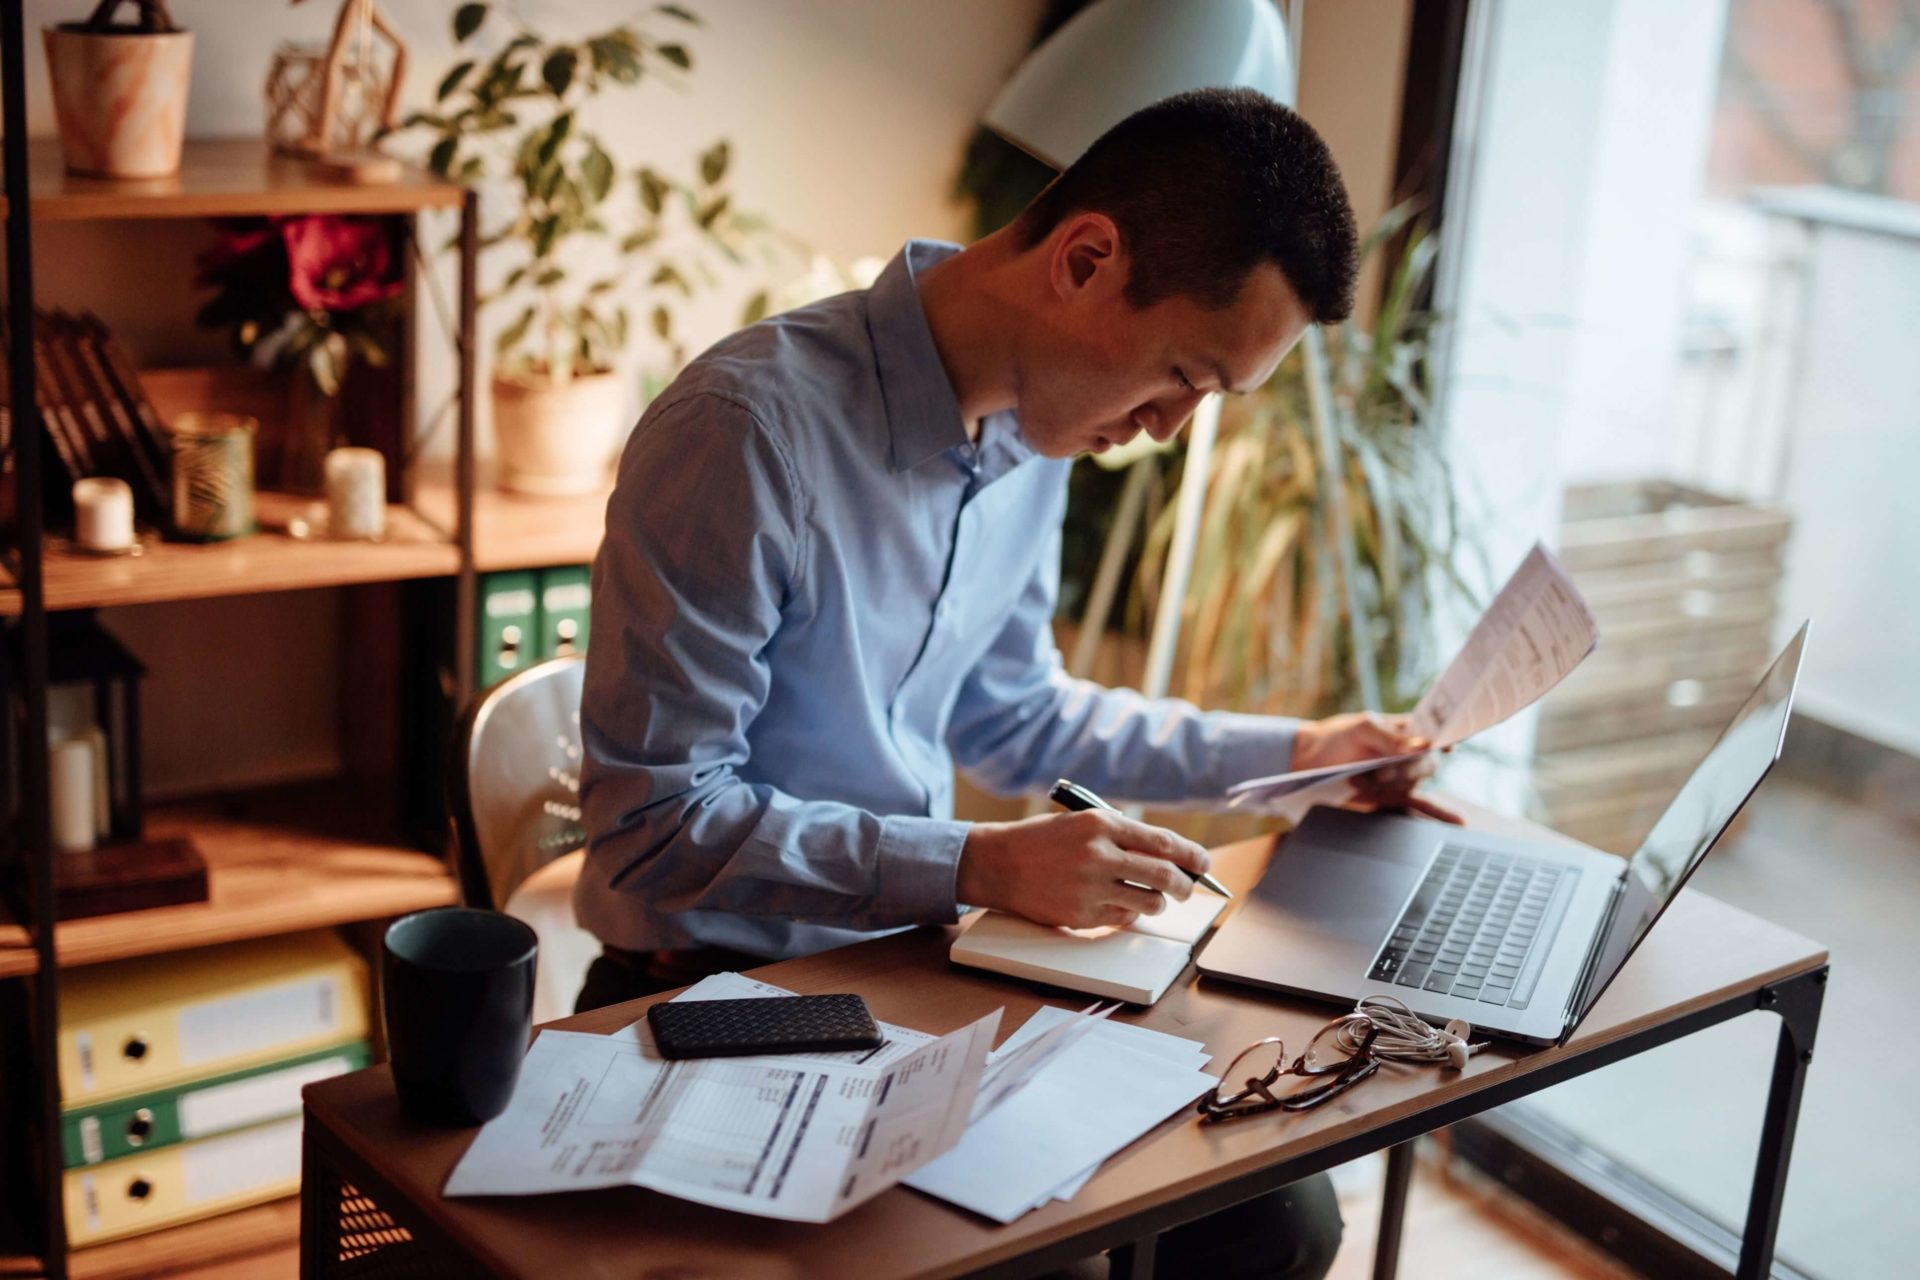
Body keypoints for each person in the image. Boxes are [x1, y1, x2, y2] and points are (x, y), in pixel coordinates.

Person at [576, 87, 1446, 1279]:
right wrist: (976, 864)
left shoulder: (1027, 439)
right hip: (715, 995)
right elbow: (650, 825)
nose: (1169, 429)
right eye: (1182, 375)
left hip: (907, 973)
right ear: (1086, 260)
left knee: (1280, 1216)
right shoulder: (743, 433)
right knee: (1073, 1266)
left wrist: (1293, 754)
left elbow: (1014, 713)